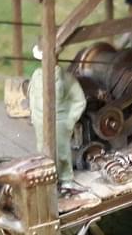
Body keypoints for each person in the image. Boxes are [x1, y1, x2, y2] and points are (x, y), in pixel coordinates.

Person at [28, 44, 88, 194]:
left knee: (61, 151)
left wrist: (70, 120)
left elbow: (79, 100)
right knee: (42, 150)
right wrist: (33, 114)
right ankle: (47, 178)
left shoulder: (66, 78)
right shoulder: (36, 75)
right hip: (40, 120)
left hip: (59, 121)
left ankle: (66, 179)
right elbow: (32, 95)